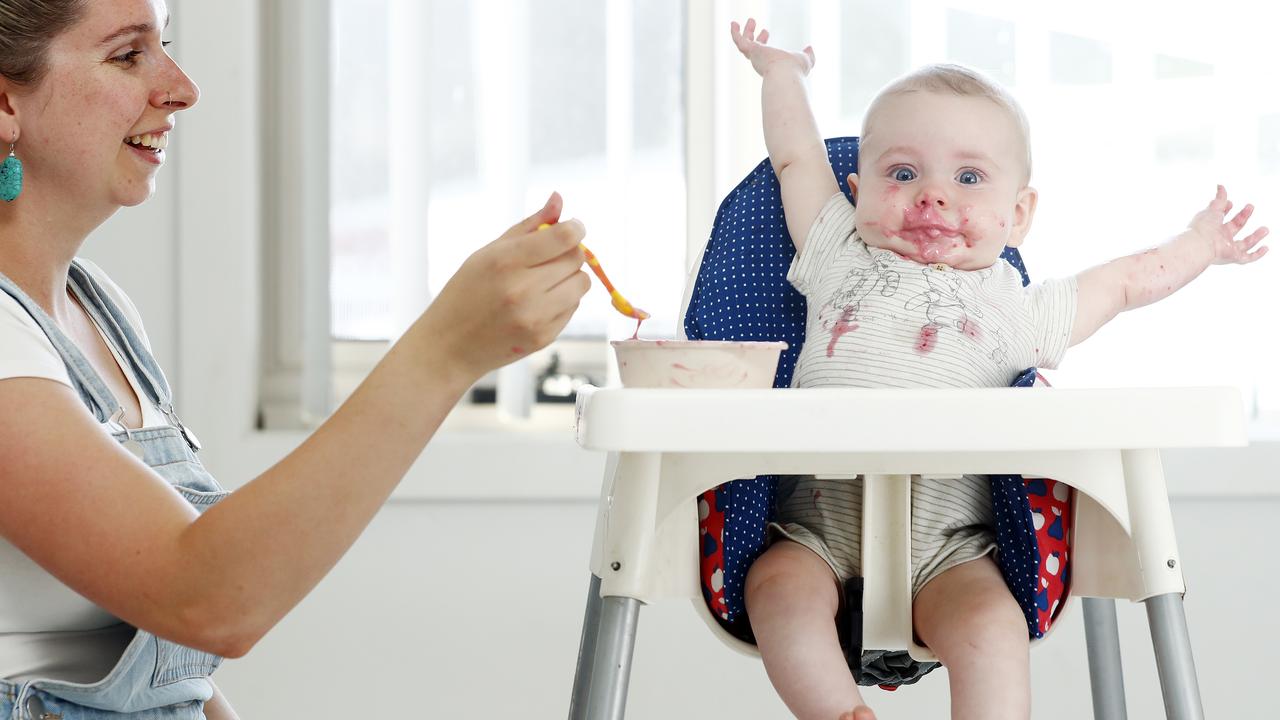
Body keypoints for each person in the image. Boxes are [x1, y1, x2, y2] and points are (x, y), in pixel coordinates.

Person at [0, 0, 591, 717]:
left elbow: (172, 663)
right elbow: (203, 598)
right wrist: (444, 352)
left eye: (166, 45)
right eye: (129, 55)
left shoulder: (104, 313)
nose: (183, 87)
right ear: (5, 101)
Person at [729, 17, 1268, 720]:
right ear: (856, 193)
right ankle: (840, 714)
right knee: (775, 591)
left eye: (969, 177)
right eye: (901, 173)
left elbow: (1126, 282)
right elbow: (796, 158)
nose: (933, 195)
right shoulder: (837, 256)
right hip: (813, 533)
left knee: (993, 627)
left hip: (952, 549)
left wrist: (1201, 243)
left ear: (1019, 215)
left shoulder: (1021, 310)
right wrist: (781, 75)